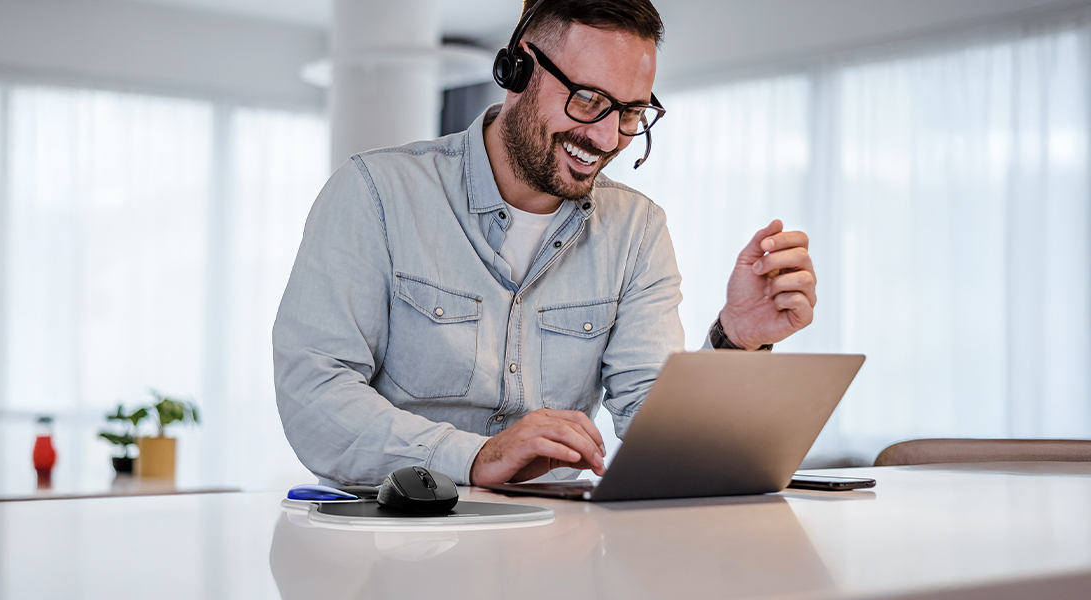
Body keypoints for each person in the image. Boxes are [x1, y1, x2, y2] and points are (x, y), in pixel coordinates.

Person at [272, 0, 816, 487]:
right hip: (398, 541)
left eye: (630, 113)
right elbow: (314, 398)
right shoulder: (375, 193)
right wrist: (476, 456)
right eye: (587, 100)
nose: (607, 139)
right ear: (518, 70)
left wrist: (736, 342)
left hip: (558, 545)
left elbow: (659, 430)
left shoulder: (637, 230)